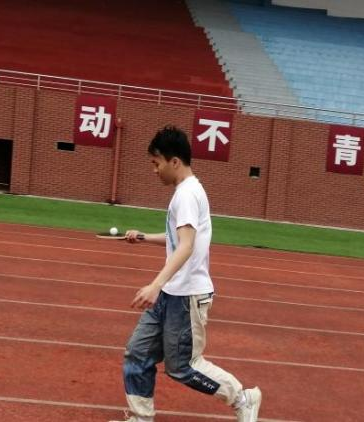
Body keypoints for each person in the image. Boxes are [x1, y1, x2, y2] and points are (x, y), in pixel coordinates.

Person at [110, 126, 261, 422]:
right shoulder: (185, 192)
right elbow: (178, 240)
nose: (155, 170)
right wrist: (143, 237)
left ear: (174, 161)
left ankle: (243, 398)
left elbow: (187, 246)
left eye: (157, 163)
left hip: (187, 295)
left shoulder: (188, 195)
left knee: (183, 367)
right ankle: (141, 417)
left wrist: (155, 284)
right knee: (138, 352)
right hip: (172, 293)